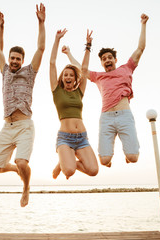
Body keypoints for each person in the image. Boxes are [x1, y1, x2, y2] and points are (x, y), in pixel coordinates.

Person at [62, 14, 149, 168]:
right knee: (104, 161)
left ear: (115, 60)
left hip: (124, 116)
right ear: (101, 62)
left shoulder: (127, 68)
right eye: (104, 59)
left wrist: (143, 24)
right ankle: (108, 158)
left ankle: (128, 156)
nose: (107, 60)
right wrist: (69, 53)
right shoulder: (98, 76)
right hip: (106, 118)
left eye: (110, 57)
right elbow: (80, 68)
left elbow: (140, 48)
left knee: (133, 157)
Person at [0, 3, 45, 207]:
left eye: (18, 59)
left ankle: (25, 188)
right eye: (12, 58)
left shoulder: (30, 72)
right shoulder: (4, 71)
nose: (14, 61)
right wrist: (1, 28)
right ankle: (17, 171)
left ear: (22, 60)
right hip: (7, 126)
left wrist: (41, 23)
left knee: (22, 161)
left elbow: (41, 48)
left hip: (24, 126)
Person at [50, 29, 98, 180]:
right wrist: (57, 39)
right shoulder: (57, 91)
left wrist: (88, 47)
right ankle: (65, 163)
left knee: (93, 171)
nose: (68, 77)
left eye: (71, 75)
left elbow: (83, 69)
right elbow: (52, 63)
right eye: (66, 75)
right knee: (69, 171)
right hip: (65, 138)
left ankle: (66, 161)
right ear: (62, 78)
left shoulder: (79, 92)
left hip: (82, 137)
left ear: (74, 78)